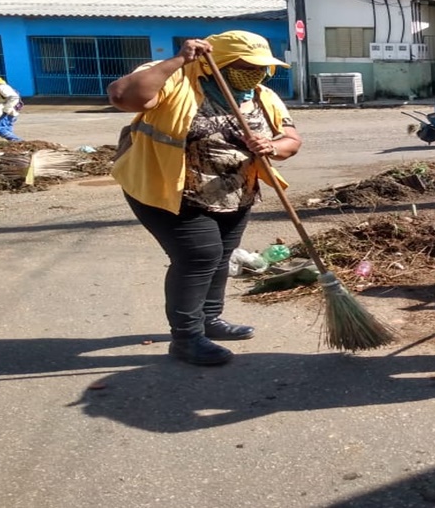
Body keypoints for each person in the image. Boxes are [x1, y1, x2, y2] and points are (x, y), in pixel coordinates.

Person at [107, 31, 301, 366]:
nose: (255, 73)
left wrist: (272, 146)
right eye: (246, 65)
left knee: (221, 257)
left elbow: (291, 138)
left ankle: (210, 321)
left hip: (233, 193)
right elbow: (123, 96)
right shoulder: (177, 81)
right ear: (220, 63)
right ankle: (186, 337)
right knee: (199, 257)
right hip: (167, 190)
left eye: (261, 67)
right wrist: (179, 59)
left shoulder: (261, 96)